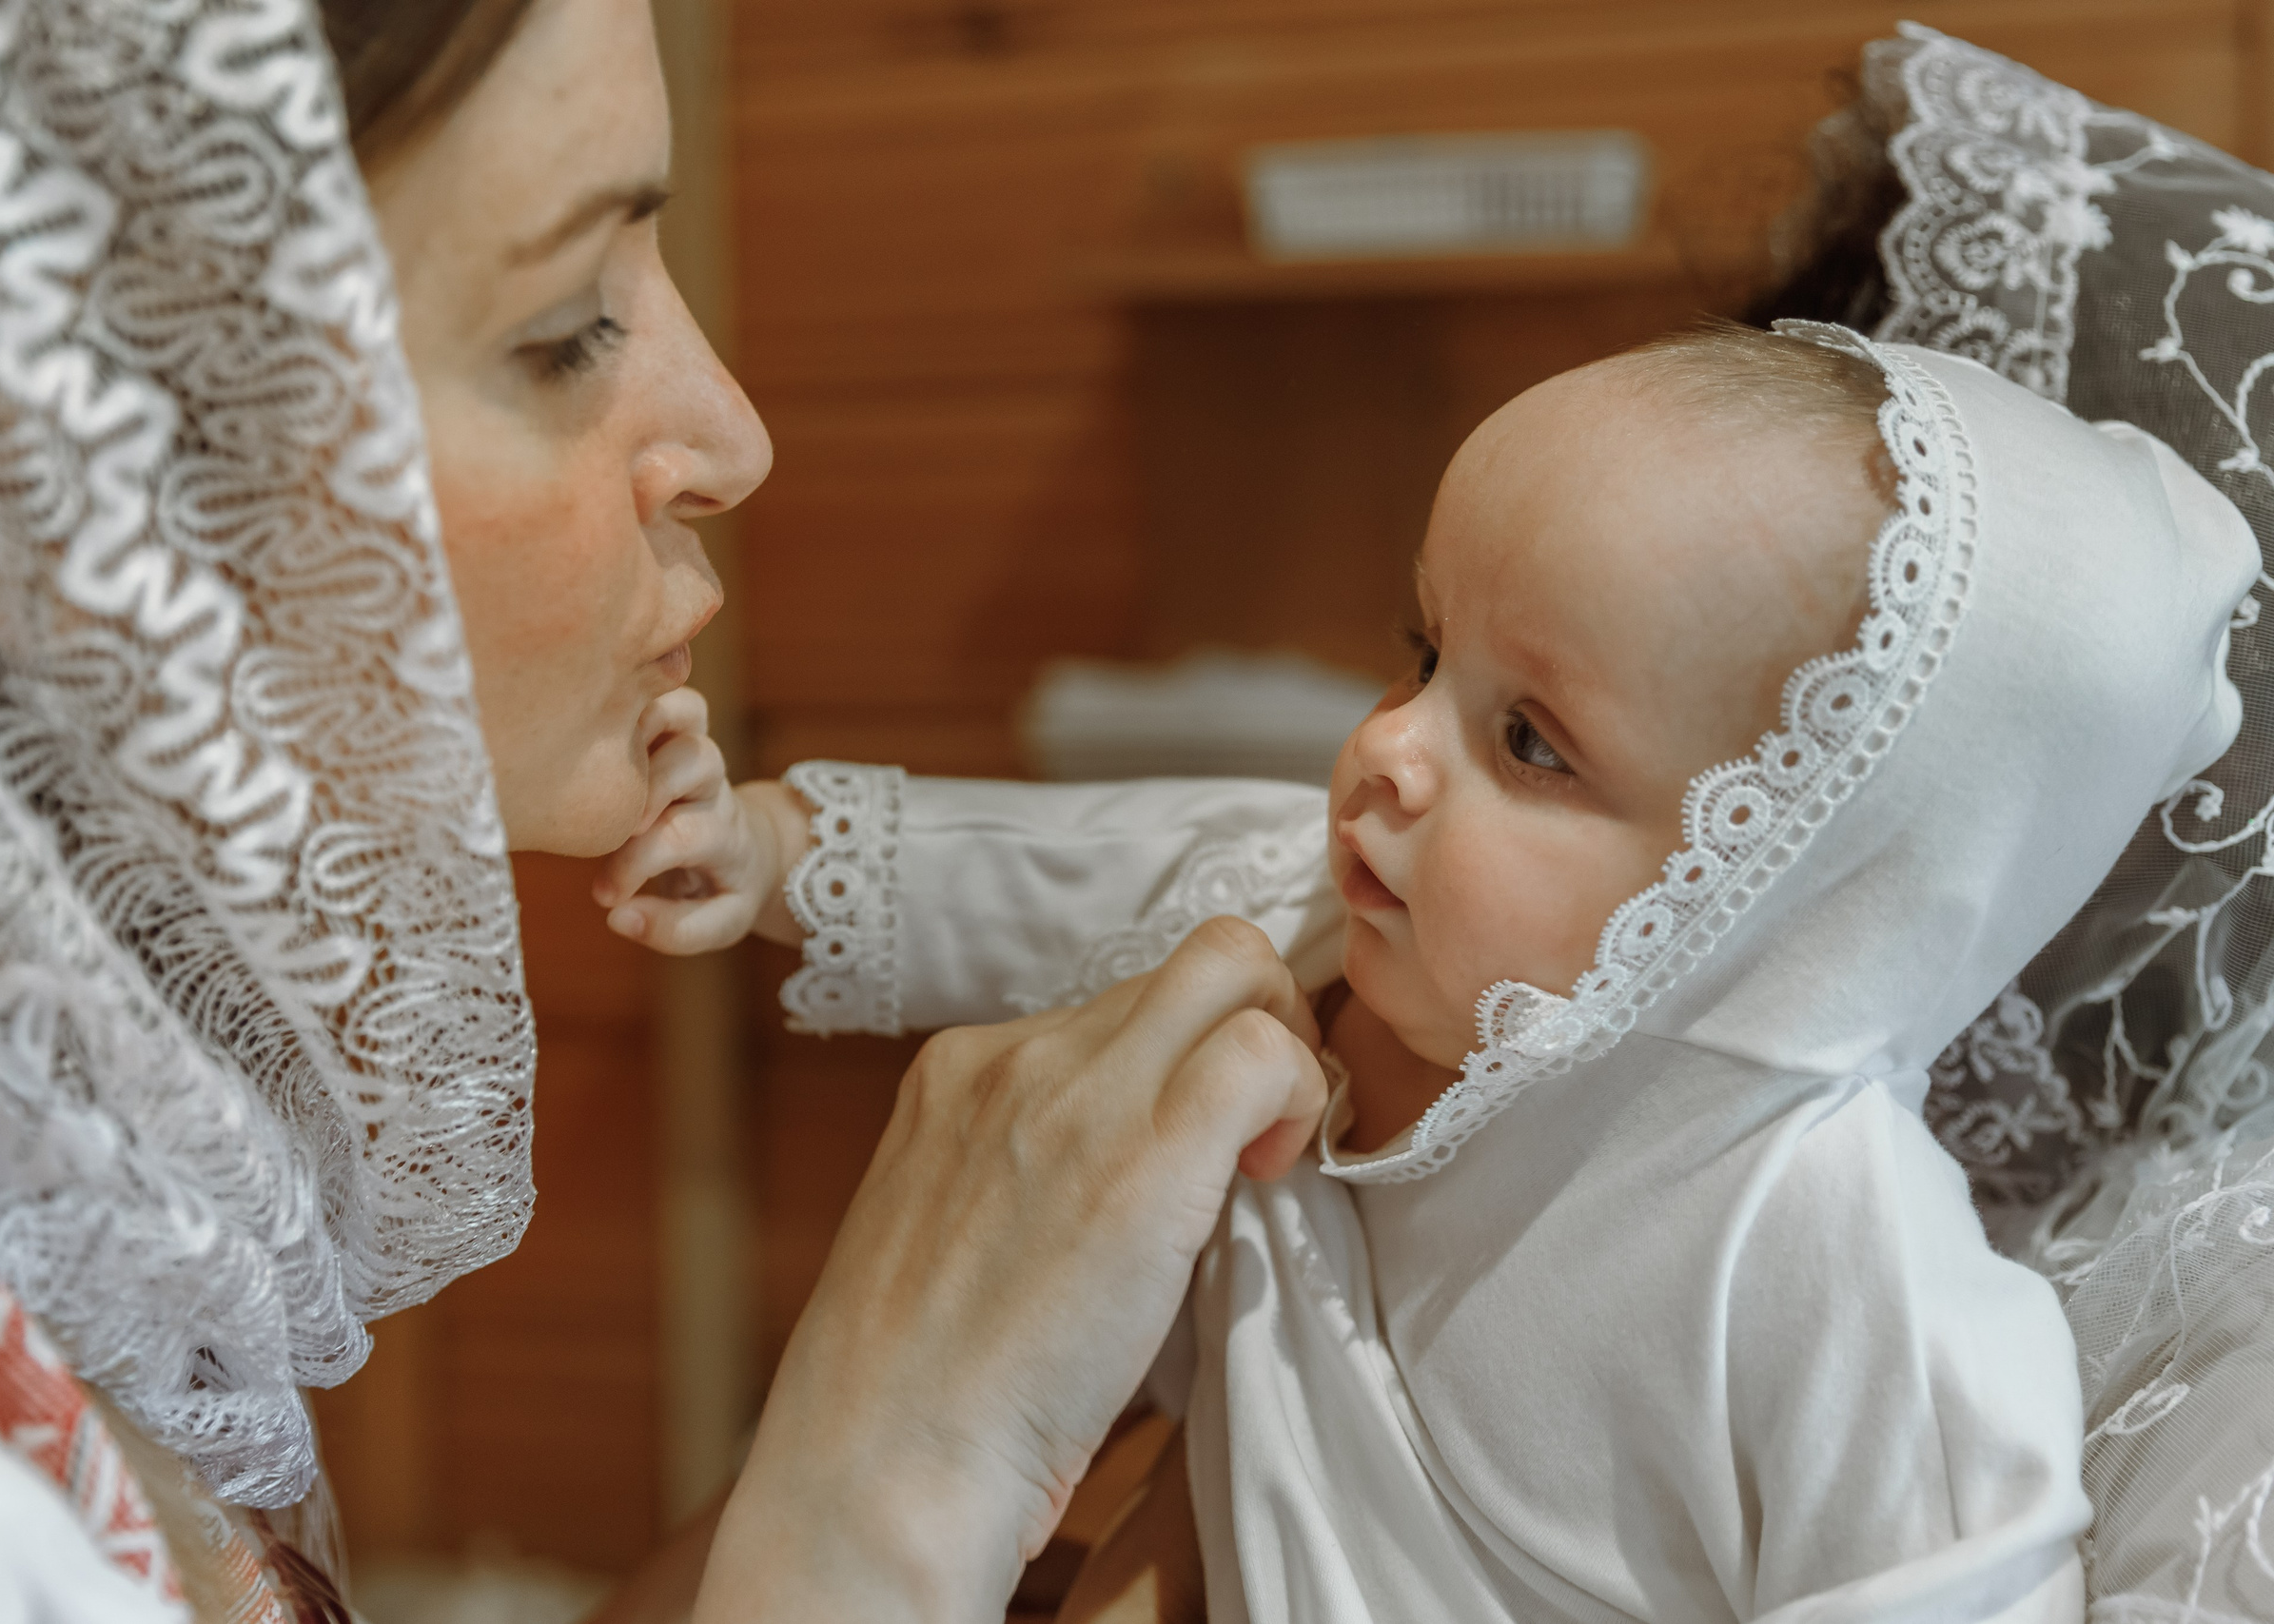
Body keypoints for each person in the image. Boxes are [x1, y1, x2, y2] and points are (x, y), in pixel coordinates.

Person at [0, 0, 1332, 1617]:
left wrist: (907, 1400)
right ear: (55, 468)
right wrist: (881, 1493)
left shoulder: (78, 1185)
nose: (736, 441)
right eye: (561, 327)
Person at [609, 315, 2264, 1619]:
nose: (1390, 747)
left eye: (1530, 741)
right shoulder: (1319, 921)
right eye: (1423, 651)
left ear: (1788, 895)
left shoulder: (1821, 1244)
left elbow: (1947, 1587)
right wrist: (771, 852)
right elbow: (1064, 872)